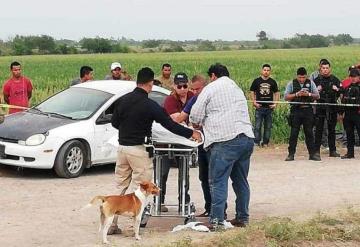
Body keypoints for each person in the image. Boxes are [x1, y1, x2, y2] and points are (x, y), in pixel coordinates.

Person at [109, 67, 201, 234]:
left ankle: (112, 225)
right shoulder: (149, 105)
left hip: (122, 148)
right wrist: (191, 133)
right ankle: (133, 228)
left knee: (119, 186)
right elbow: (170, 125)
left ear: (138, 82)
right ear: (150, 84)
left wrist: (128, 129)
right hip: (138, 149)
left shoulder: (123, 100)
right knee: (140, 190)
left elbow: (114, 122)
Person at [190, 63, 254, 230]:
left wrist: (197, 124)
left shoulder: (210, 88)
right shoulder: (237, 88)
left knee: (217, 181)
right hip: (246, 138)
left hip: (224, 140)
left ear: (212, 76)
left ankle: (217, 220)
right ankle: (242, 217)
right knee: (241, 181)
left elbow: (195, 115)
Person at [160, 72, 194, 212]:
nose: (182, 89)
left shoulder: (193, 96)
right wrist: (191, 126)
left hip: (185, 141)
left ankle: (183, 202)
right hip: (168, 140)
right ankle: (159, 201)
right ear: (174, 86)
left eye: (185, 85)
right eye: (179, 86)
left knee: (184, 172)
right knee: (162, 172)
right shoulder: (170, 100)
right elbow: (176, 119)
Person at [284, 67, 321, 161]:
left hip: (307, 110)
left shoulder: (311, 83)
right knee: (294, 133)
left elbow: (317, 96)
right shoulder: (291, 83)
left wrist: (308, 94)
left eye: (303, 77)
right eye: (300, 77)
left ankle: (312, 154)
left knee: (309, 133)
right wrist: (297, 94)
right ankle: (291, 154)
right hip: (296, 110)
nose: (301, 79)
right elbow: (286, 97)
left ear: (306, 76)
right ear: (297, 76)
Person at [314, 60, 342, 157]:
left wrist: (337, 89)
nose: (325, 70)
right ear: (320, 69)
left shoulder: (335, 79)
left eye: (327, 68)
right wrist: (316, 91)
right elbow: (311, 94)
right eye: (323, 68)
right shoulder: (316, 80)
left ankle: (332, 151)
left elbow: (341, 92)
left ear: (329, 69)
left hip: (332, 106)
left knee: (332, 130)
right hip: (320, 106)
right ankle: (316, 151)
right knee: (319, 129)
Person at [250, 64, 279, 147]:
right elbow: (252, 91)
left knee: (268, 127)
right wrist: (254, 102)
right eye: (265, 70)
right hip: (259, 107)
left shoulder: (272, 82)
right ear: (262, 71)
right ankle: (256, 142)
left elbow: (277, 93)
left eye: (268, 70)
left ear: (270, 72)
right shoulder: (256, 81)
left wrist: (275, 104)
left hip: (269, 108)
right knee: (257, 126)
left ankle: (265, 142)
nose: (266, 72)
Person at [340, 68, 360, 159]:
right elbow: (343, 100)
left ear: (358, 77)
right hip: (348, 114)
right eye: (351, 77)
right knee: (349, 134)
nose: (353, 78)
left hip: (358, 113)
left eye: (355, 77)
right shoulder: (347, 88)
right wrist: (341, 113)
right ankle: (350, 153)